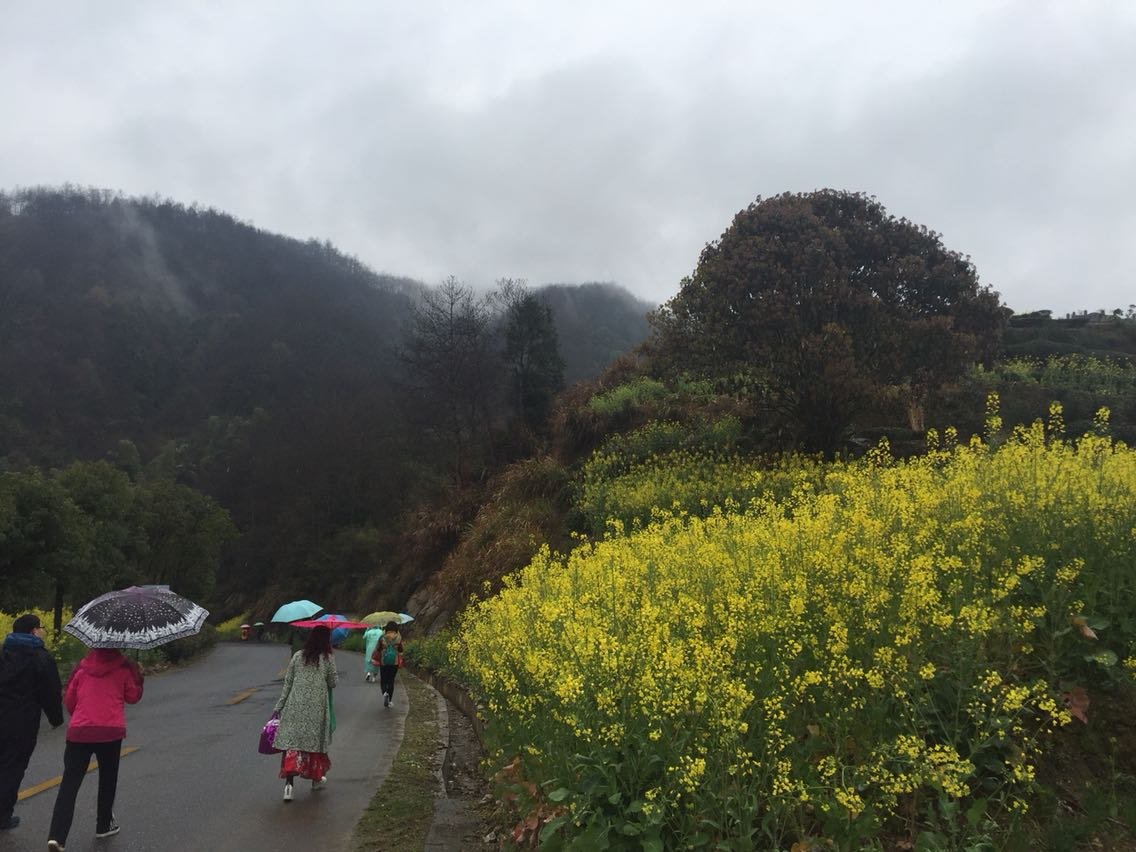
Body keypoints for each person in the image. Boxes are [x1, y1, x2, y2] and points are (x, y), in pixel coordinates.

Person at [47, 647, 144, 850]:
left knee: (69, 785)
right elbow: (133, 697)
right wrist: (139, 676)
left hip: (80, 731)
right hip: (110, 732)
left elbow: (70, 702)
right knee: (108, 779)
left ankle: (57, 836)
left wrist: (84, 714)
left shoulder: (81, 668)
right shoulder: (124, 668)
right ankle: (103, 825)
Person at [0, 614, 64, 831]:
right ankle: (3, 816)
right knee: (13, 767)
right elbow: (51, 692)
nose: (42, 631)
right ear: (32, 631)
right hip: (22, 722)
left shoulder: (3, 653)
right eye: (40, 627)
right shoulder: (40, 657)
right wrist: (56, 718)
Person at [273, 624, 338, 802]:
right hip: (316, 709)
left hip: (295, 706)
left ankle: (288, 786)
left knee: (293, 745)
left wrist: (279, 706)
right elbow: (333, 682)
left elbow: (288, 683)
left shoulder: (297, 656)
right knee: (314, 745)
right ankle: (316, 780)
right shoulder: (327, 658)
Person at [371, 621, 403, 708]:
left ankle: (385, 692)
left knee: (384, 680)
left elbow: (378, 649)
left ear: (386, 629)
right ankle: (390, 700)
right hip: (394, 662)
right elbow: (401, 650)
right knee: (391, 680)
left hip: (384, 662)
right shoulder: (398, 638)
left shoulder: (382, 637)